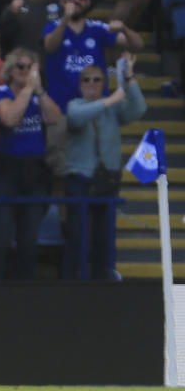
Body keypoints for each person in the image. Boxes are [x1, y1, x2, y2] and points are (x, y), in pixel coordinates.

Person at [62, 58, 146, 280]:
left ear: (103, 83)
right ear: (80, 84)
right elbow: (76, 118)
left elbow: (138, 109)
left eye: (97, 79)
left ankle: (103, 278)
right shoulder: (75, 104)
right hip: (79, 178)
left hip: (106, 178)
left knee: (104, 234)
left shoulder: (113, 109)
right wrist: (109, 101)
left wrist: (129, 78)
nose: (91, 83)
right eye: (86, 80)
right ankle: (72, 280)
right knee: (77, 234)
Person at [0, 50, 61, 280]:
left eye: (30, 67)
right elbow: (9, 119)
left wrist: (38, 91)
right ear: (10, 70)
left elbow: (55, 117)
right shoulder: (0, 92)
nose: (26, 71)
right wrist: (29, 90)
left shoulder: (39, 95)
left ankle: (26, 286)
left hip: (34, 170)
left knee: (29, 237)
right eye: (21, 66)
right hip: (6, 170)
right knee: (1, 234)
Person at [43, 0, 144, 112]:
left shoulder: (98, 28)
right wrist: (65, 19)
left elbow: (138, 44)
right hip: (60, 110)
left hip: (96, 108)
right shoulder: (52, 27)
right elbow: (49, 47)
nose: (76, 0)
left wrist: (124, 28)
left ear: (88, 1)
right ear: (63, 1)